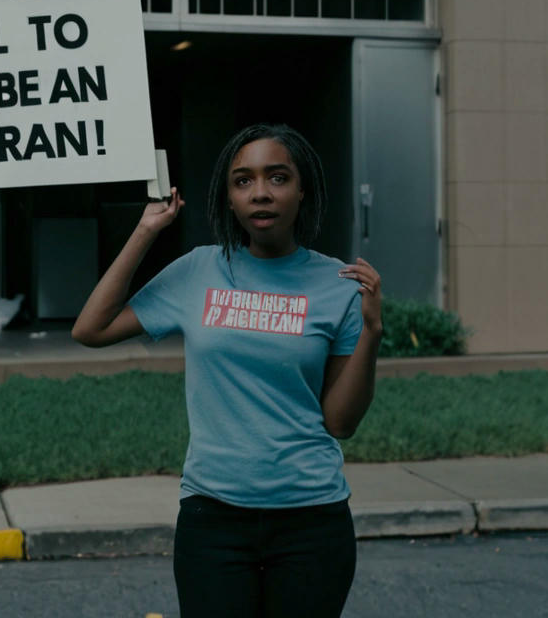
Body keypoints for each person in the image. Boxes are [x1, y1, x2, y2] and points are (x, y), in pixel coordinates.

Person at [72, 123, 382, 618]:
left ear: (303, 189)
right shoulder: (199, 270)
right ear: (229, 197)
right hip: (212, 517)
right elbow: (91, 328)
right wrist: (146, 230)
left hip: (311, 519)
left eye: (277, 178)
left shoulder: (338, 284)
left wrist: (372, 333)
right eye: (243, 181)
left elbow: (340, 423)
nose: (260, 193)